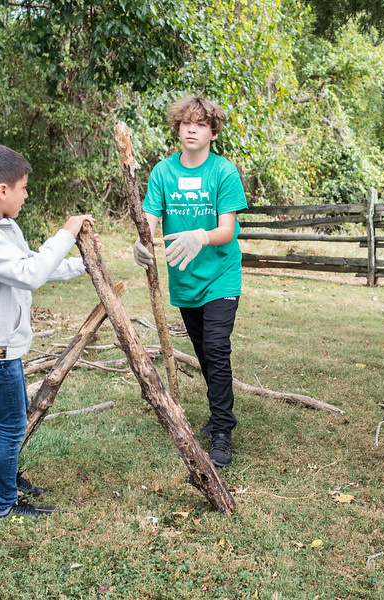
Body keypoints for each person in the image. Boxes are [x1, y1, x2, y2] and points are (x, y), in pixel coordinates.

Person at [0, 143, 98, 521]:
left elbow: (32, 264)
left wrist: (83, 264)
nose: (26, 195)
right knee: (12, 425)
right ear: (2, 191)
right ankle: (4, 504)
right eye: (24, 188)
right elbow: (30, 276)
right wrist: (65, 232)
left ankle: (6, 478)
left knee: (11, 421)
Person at [132, 96, 248, 467]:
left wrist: (200, 236)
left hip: (221, 276)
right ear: (178, 129)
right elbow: (149, 219)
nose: (192, 129)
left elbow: (227, 230)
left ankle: (222, 431)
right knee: (202, 353)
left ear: (213, 132)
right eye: (186, 123)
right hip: (183, 278)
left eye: (200, 124)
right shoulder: (163, 174)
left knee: (216, 348)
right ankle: (219, 413)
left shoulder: (224, 173)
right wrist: (140, 241)